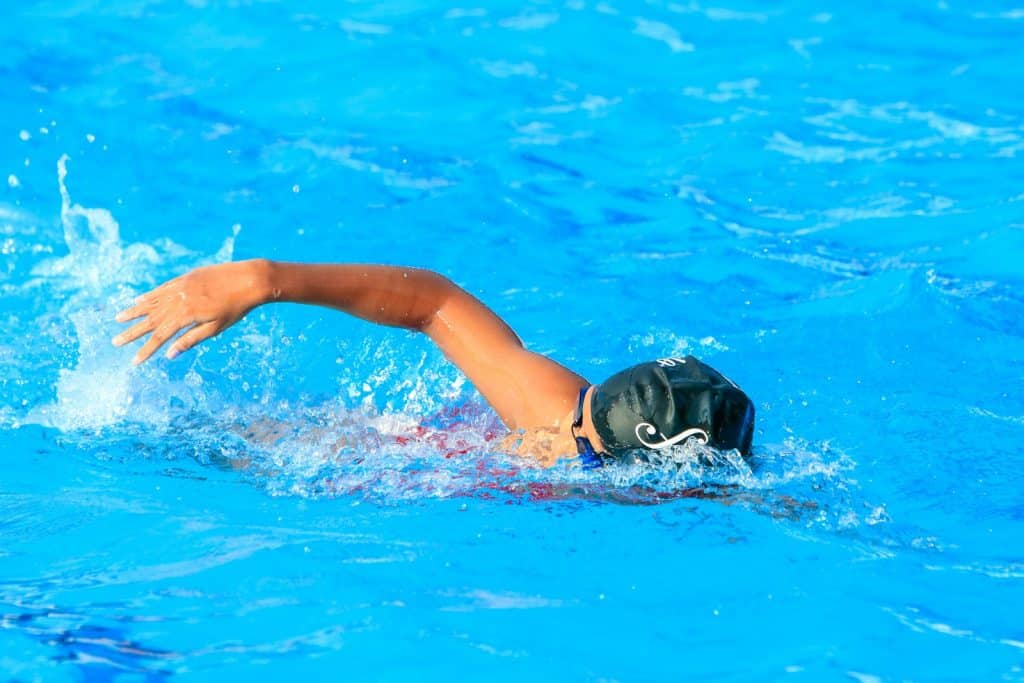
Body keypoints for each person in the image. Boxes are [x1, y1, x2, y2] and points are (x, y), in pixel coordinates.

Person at [112, 260, 755, 467]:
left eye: (580, 445)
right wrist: (264, 278)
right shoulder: (553, 409)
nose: (556, 434)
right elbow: (432, 303)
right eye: (576, 414)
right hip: (402, 456)